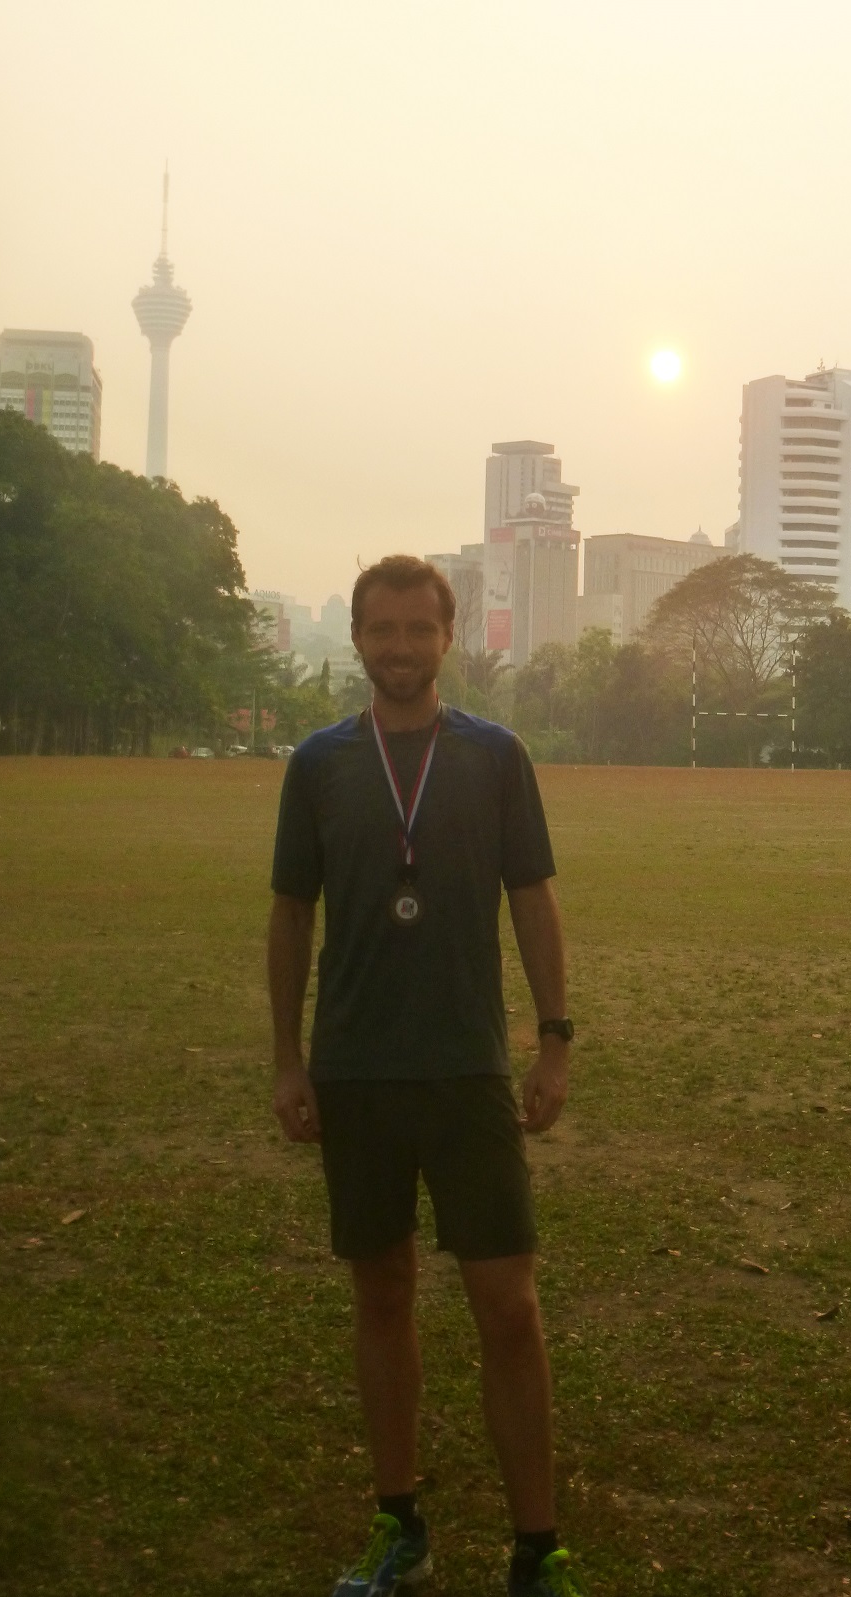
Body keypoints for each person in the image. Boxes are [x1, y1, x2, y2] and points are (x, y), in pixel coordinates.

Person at [269, 555, 586, 1596]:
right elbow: (291, 913)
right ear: (357, 639)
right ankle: (400, 1523)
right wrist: (287, 1058)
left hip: (464, 1069)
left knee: (508, 1306)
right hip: (356, 1068)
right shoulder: (319, 763)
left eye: (418, 628)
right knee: (383, 1294)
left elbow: (533, 897)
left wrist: (554, 1037)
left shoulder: (495, 756)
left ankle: (536, 1549)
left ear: (449, 639)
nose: (399, 646)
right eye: (381, 629)